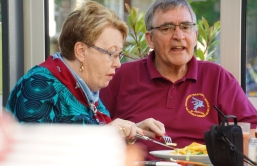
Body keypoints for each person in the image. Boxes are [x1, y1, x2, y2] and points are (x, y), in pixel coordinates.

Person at [100, 0, 257, 160]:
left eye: (185, 27)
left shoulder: (217, 77)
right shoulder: (121, 76)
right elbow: (92, 129)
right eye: (167, 28)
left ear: (195, 36)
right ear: (150, 39)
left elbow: (251, 129)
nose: (178, 36)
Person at [5, 1, 165, 150]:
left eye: (119, 54)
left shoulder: (85, 89)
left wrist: (132, 130)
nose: (117, 63)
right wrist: (106, 134)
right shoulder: (38, 86)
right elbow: (35, 156)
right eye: (111, 53)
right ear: (81, 51)